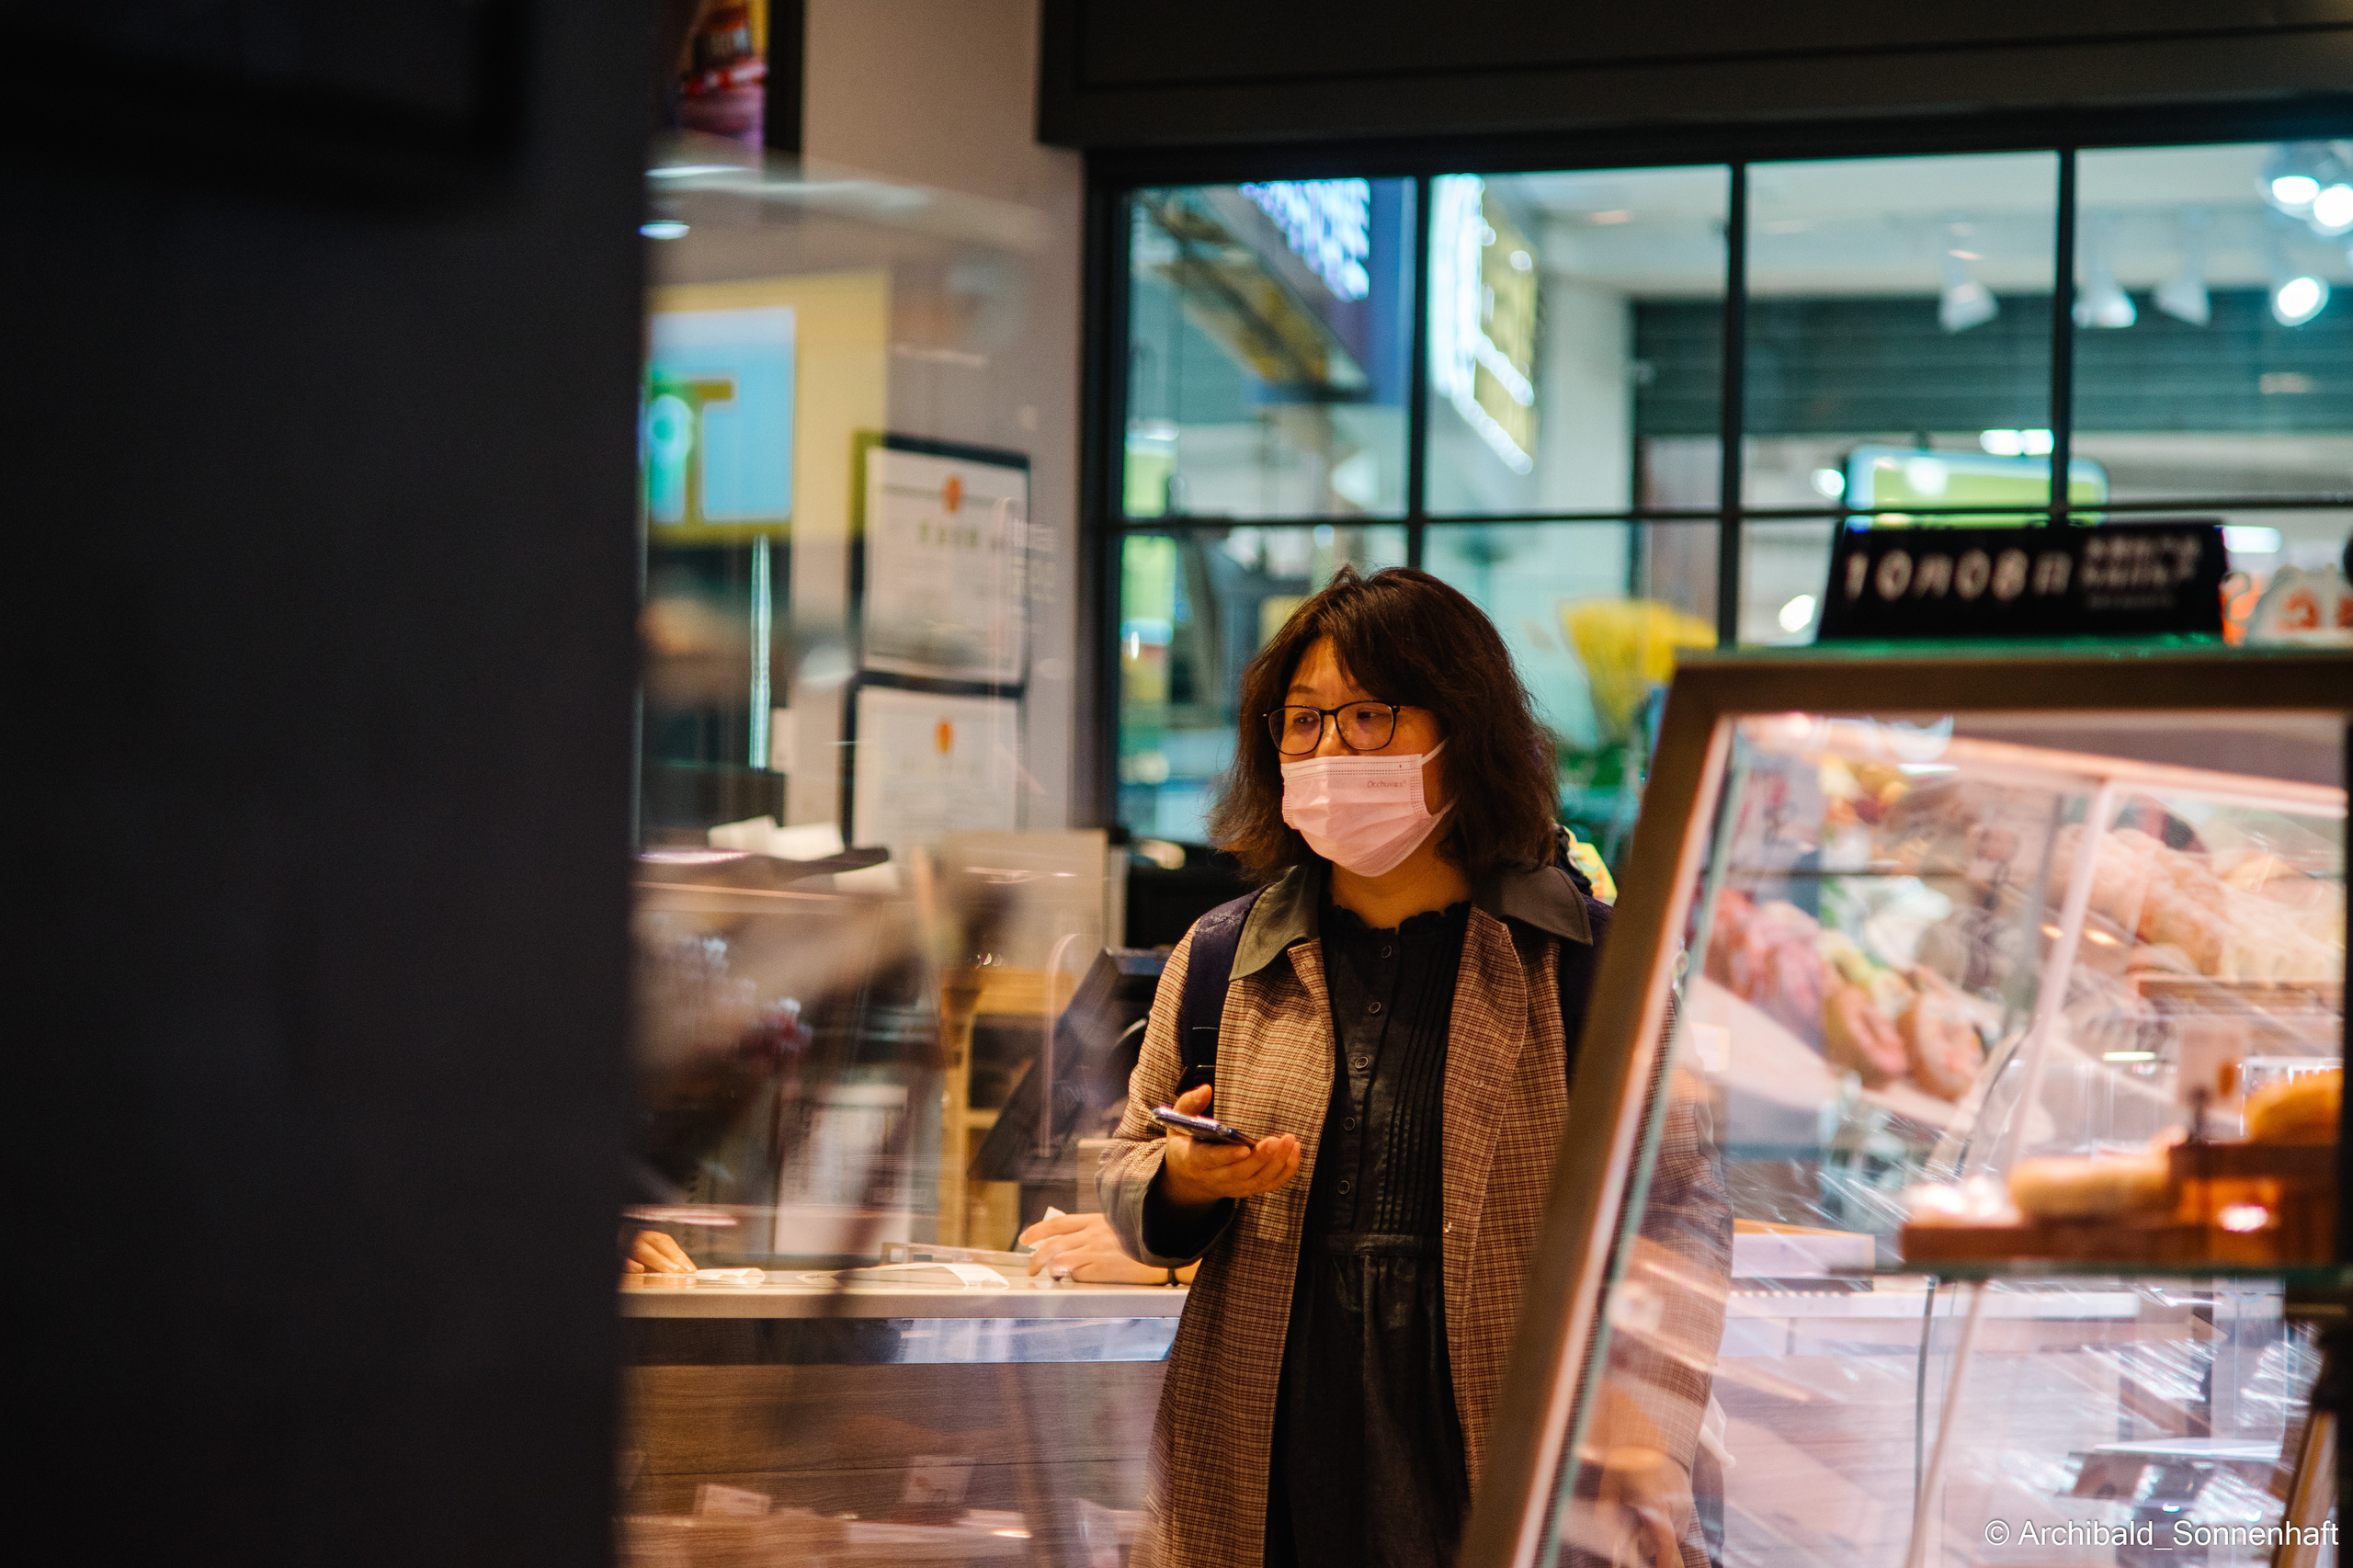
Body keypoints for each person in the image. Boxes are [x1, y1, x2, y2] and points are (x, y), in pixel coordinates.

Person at [1098, 566, 1728, 1568]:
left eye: (1369, 715)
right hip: (1276, 1450)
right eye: (1301, 722)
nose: (1329, 749)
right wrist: (1180, 1178)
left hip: (1516, 1436)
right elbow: (1128, 1173)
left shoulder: (1592, 962)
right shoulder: (1225, 956)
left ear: (1460, 730)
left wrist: (1646, 1421)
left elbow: (1679, 1209)